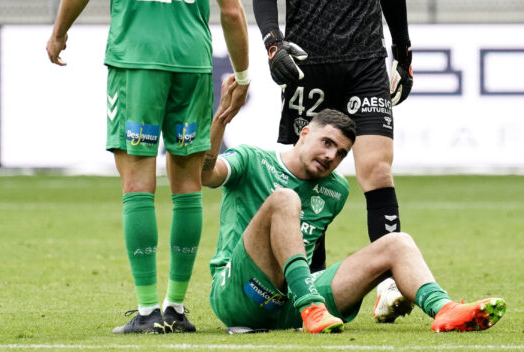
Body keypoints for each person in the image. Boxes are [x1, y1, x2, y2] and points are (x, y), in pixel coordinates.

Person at [45, 0, 250, 335]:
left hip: (137, 59)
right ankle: (176, 308)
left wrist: (59, 32)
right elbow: (230, 10)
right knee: (187, 186)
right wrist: (244, 73)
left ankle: (145, 311)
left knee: (137, 184)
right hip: (193, 61)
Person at [250, 0, 414, 321]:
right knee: (308, 180)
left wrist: (403, 51)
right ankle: (314, 292)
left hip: (365, 58)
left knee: (377, 168)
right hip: (308, 64)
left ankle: (388, 285)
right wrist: (273, 44)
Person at [202, 76, 507, 334]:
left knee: (397, 242)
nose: (331, 156)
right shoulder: (251, 160)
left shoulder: (335, 189)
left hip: (289, 302)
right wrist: (221, 119)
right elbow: (206, 175)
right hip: (238, 294)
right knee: (285, 198)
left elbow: (306, 248)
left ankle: (445, 309)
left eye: (341, 153)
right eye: (327, 142)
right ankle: (311, 307)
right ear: (304, 134)